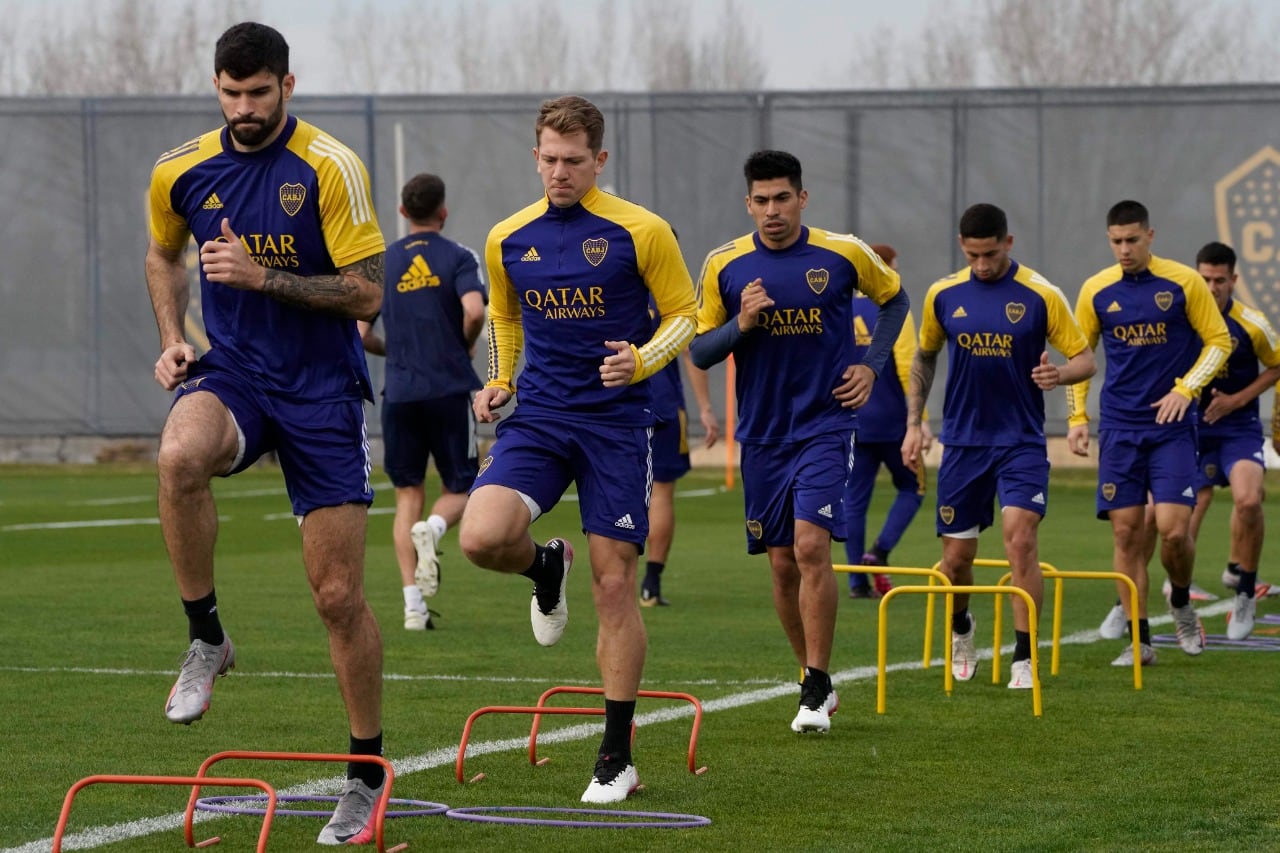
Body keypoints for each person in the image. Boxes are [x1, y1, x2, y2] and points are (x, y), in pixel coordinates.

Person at [145, 22, 388, 845]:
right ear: (216, 88)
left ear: (288, 84)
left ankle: (364, 773)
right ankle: (206, 637)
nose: (244, 108)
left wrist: (261, 276)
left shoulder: (329, 166)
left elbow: (366, 294)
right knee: (178, 453)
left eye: (258, 92)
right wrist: (172, 336)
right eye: (231, 93)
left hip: (322, 391)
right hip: (238, 375)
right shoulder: (180, 169)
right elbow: (161, 254)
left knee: (337, 597)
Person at [457, 95, 696, 804]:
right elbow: (503, 317)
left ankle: (615, 757)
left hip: (617, 424)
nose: (560, 172)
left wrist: (642, 360)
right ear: (535, 156)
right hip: (540, 416)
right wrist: (499, 380)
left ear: (600, 159)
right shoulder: (508, 237)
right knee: (480, 536)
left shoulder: (642, 230)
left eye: (574, 160)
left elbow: (685, 315)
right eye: (549, 159)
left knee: (614, 584)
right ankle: (544, 565)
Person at [690, 149, 908, 733]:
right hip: (762, 436)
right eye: (761, 200)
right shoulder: (724, 264)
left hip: (826, 425)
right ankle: (814, 678)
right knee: (782, 564)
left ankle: (813, 685)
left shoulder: (843, 253)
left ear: (802, 198)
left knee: (811, 548)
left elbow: (895, 300)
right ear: (748, 204)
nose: (773, 210)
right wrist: (743, 323)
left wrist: (871, 366)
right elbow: (701, 351)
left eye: (782, 198)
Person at [902, 204, 1095, 689]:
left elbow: (1085, 358)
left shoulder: (1041, 293)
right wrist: (913, 423)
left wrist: (1059, 374)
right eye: (973, 255)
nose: (982, 265)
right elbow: (924, 356)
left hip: (1020, 441)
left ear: (1008, 243)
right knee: (956, 560)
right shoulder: (943, 294)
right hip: (963, 444)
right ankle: (961, 627)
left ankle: (1024, 658)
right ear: (962, 247)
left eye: (990, 254)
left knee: (1021, 540)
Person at [1067, 201, 1230, 667]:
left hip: (1172, 428)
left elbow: (1219, 342)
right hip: (1120, 428)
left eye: (1132, 240)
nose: (1124, 249)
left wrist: (1186, 389)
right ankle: (1140, 641)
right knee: (1127, 535)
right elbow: (1081, 357)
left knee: (1174, 532)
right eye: (1116, 241)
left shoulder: (1184, 282)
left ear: (1150, 236)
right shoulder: (1096, 289)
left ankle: (1179, 599)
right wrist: (1078, 418)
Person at [1099, 242, 1280, 642]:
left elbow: (1276, 365)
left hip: (1236, 429)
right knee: (1156, 520)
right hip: (1185, 428)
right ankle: (1126, 602)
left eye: (1220, 280)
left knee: (1249, 500)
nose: (1212, 287)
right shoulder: (1180, 314)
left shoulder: (1251, 323)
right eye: (1205, 279)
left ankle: (1245, 591)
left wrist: (1237, 400)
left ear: (1233, 280)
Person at [357, 173, 487, 631]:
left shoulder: (382, 263)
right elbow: (475, 311)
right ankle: (433, 530)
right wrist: (464, 343)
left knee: (407, 495)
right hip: (449, 388)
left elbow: (361, 332)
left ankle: (413, 606)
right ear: (443, 212)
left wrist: (394, 351)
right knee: (463, 489)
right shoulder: (459, 257)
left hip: (400, 393)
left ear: (402, 212)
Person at [843, 243, 932, 599]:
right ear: (886, 268)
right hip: (894, 422)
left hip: (853, 419)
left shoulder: (842, 307)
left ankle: (856, 581)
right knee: (914, 487)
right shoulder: (894, 307)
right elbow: (908, 363)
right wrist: (920, 419)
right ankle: (879, 552)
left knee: (854, 499)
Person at [641, 341, 719, 606]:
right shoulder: (670, 310)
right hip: (663, 403)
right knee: (661, 493)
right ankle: (650, 584)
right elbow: (690, 350)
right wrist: (705, 408)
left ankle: (616, 577)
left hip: (617, 403)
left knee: (615, 491)